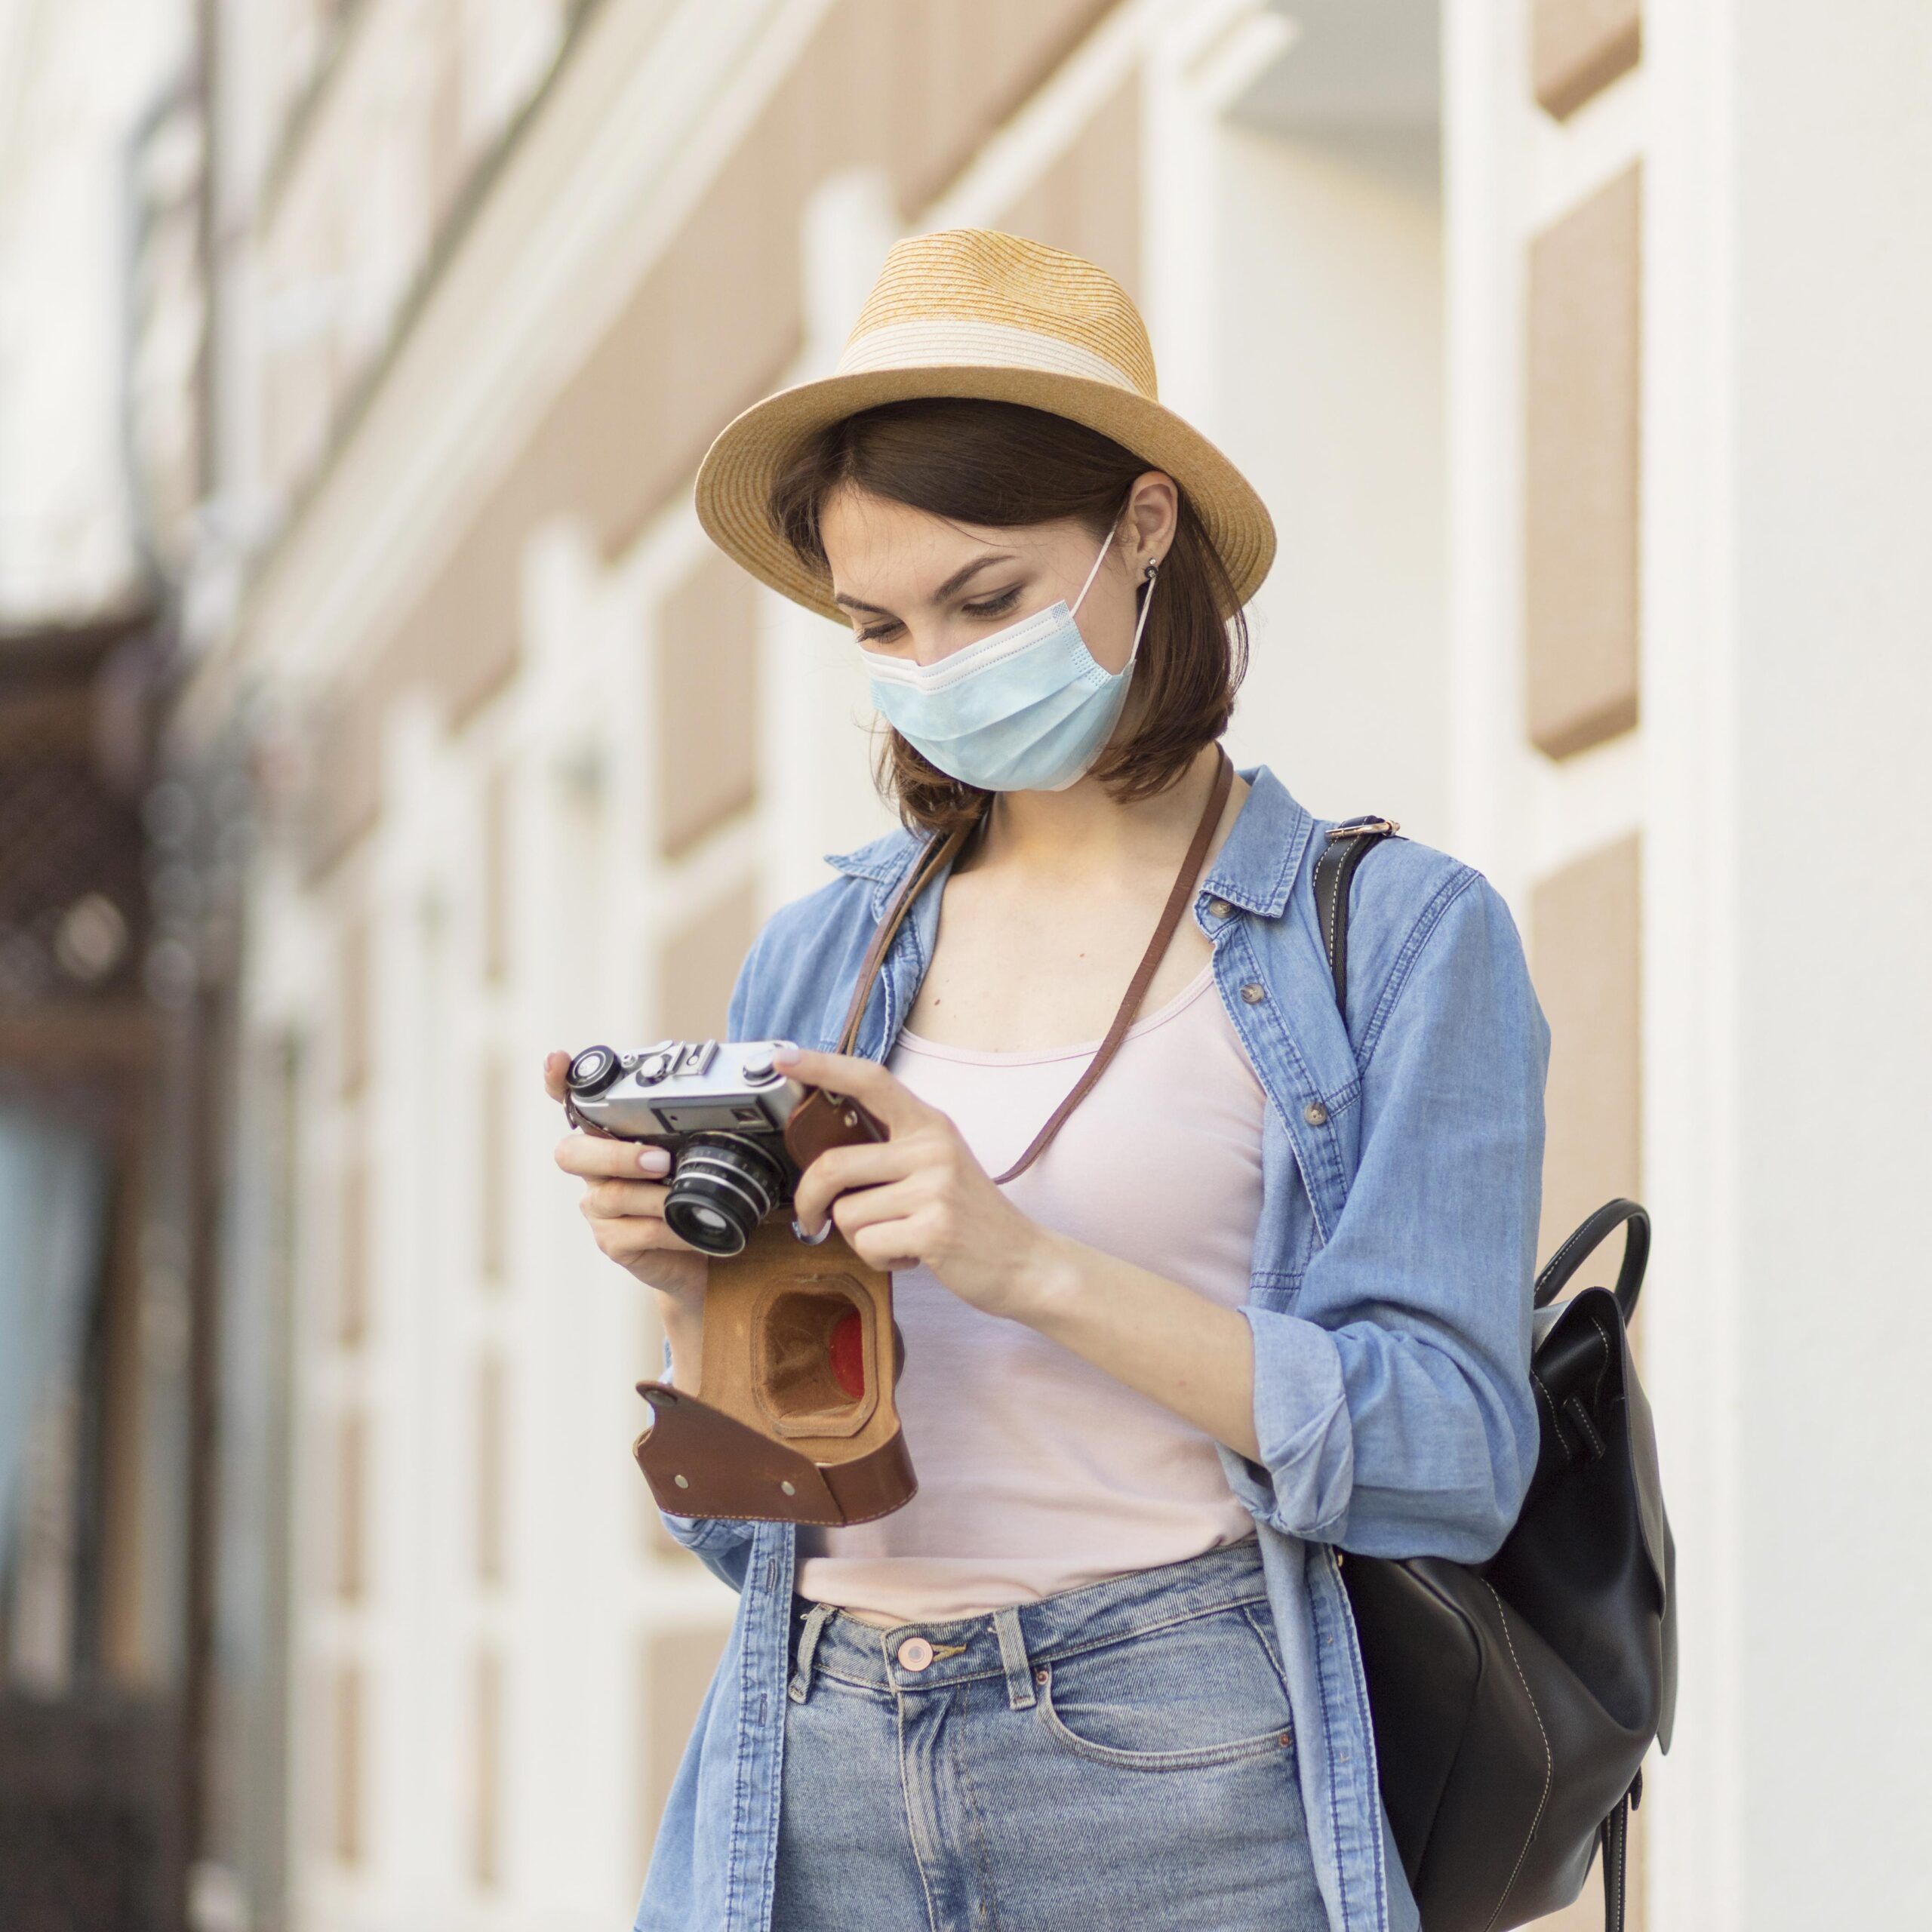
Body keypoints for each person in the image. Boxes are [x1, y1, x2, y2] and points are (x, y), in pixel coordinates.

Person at [546, 229, 1547, 1932]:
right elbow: (747, 1533)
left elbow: (1451, 1450)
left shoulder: (1393, 935)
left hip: (1177, 1766)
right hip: (815, 1766)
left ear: (1143, 527)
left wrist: (1030, 1268)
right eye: (879, 625)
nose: (934, 671)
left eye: (987, 600)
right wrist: (690, 1299)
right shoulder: (823, 952)